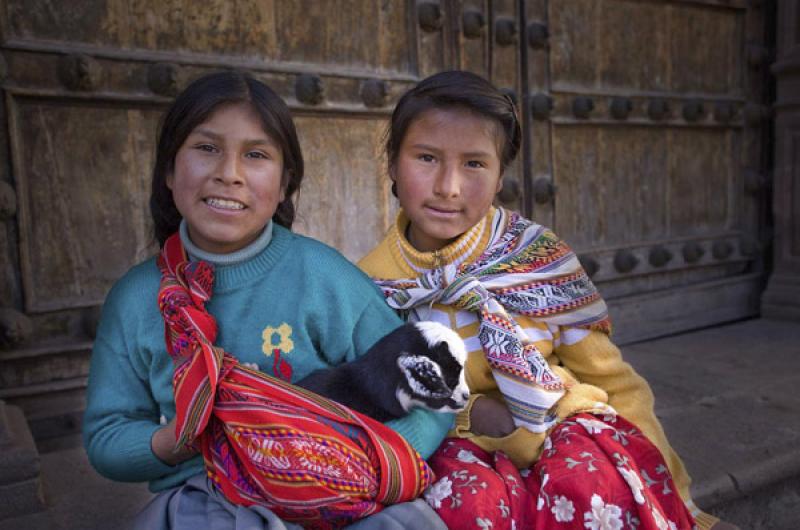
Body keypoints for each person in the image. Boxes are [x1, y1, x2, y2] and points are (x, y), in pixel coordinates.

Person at [360, 70, 736, 530]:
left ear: (500, 177)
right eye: (426, 158)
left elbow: (613, 378)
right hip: (455, 446)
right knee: (464, 510)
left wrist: (674, 494)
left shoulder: (536, 258)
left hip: (561, 426)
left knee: (594, 491)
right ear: (393, 165)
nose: (448, 186)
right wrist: (469, 414)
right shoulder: (370, 283)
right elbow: (379, 391)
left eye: (475, 164)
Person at [82, 71, 453, 530]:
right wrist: (177, 441)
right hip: (211, 497)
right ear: (169, 171)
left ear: (283, 185)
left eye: (255, 155)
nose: (228, 173)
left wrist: (372, 466)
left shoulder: (322, 277)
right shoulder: (137, 299)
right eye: (206, 148)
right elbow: (107, 436)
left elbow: (430, 395)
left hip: (344, 493)